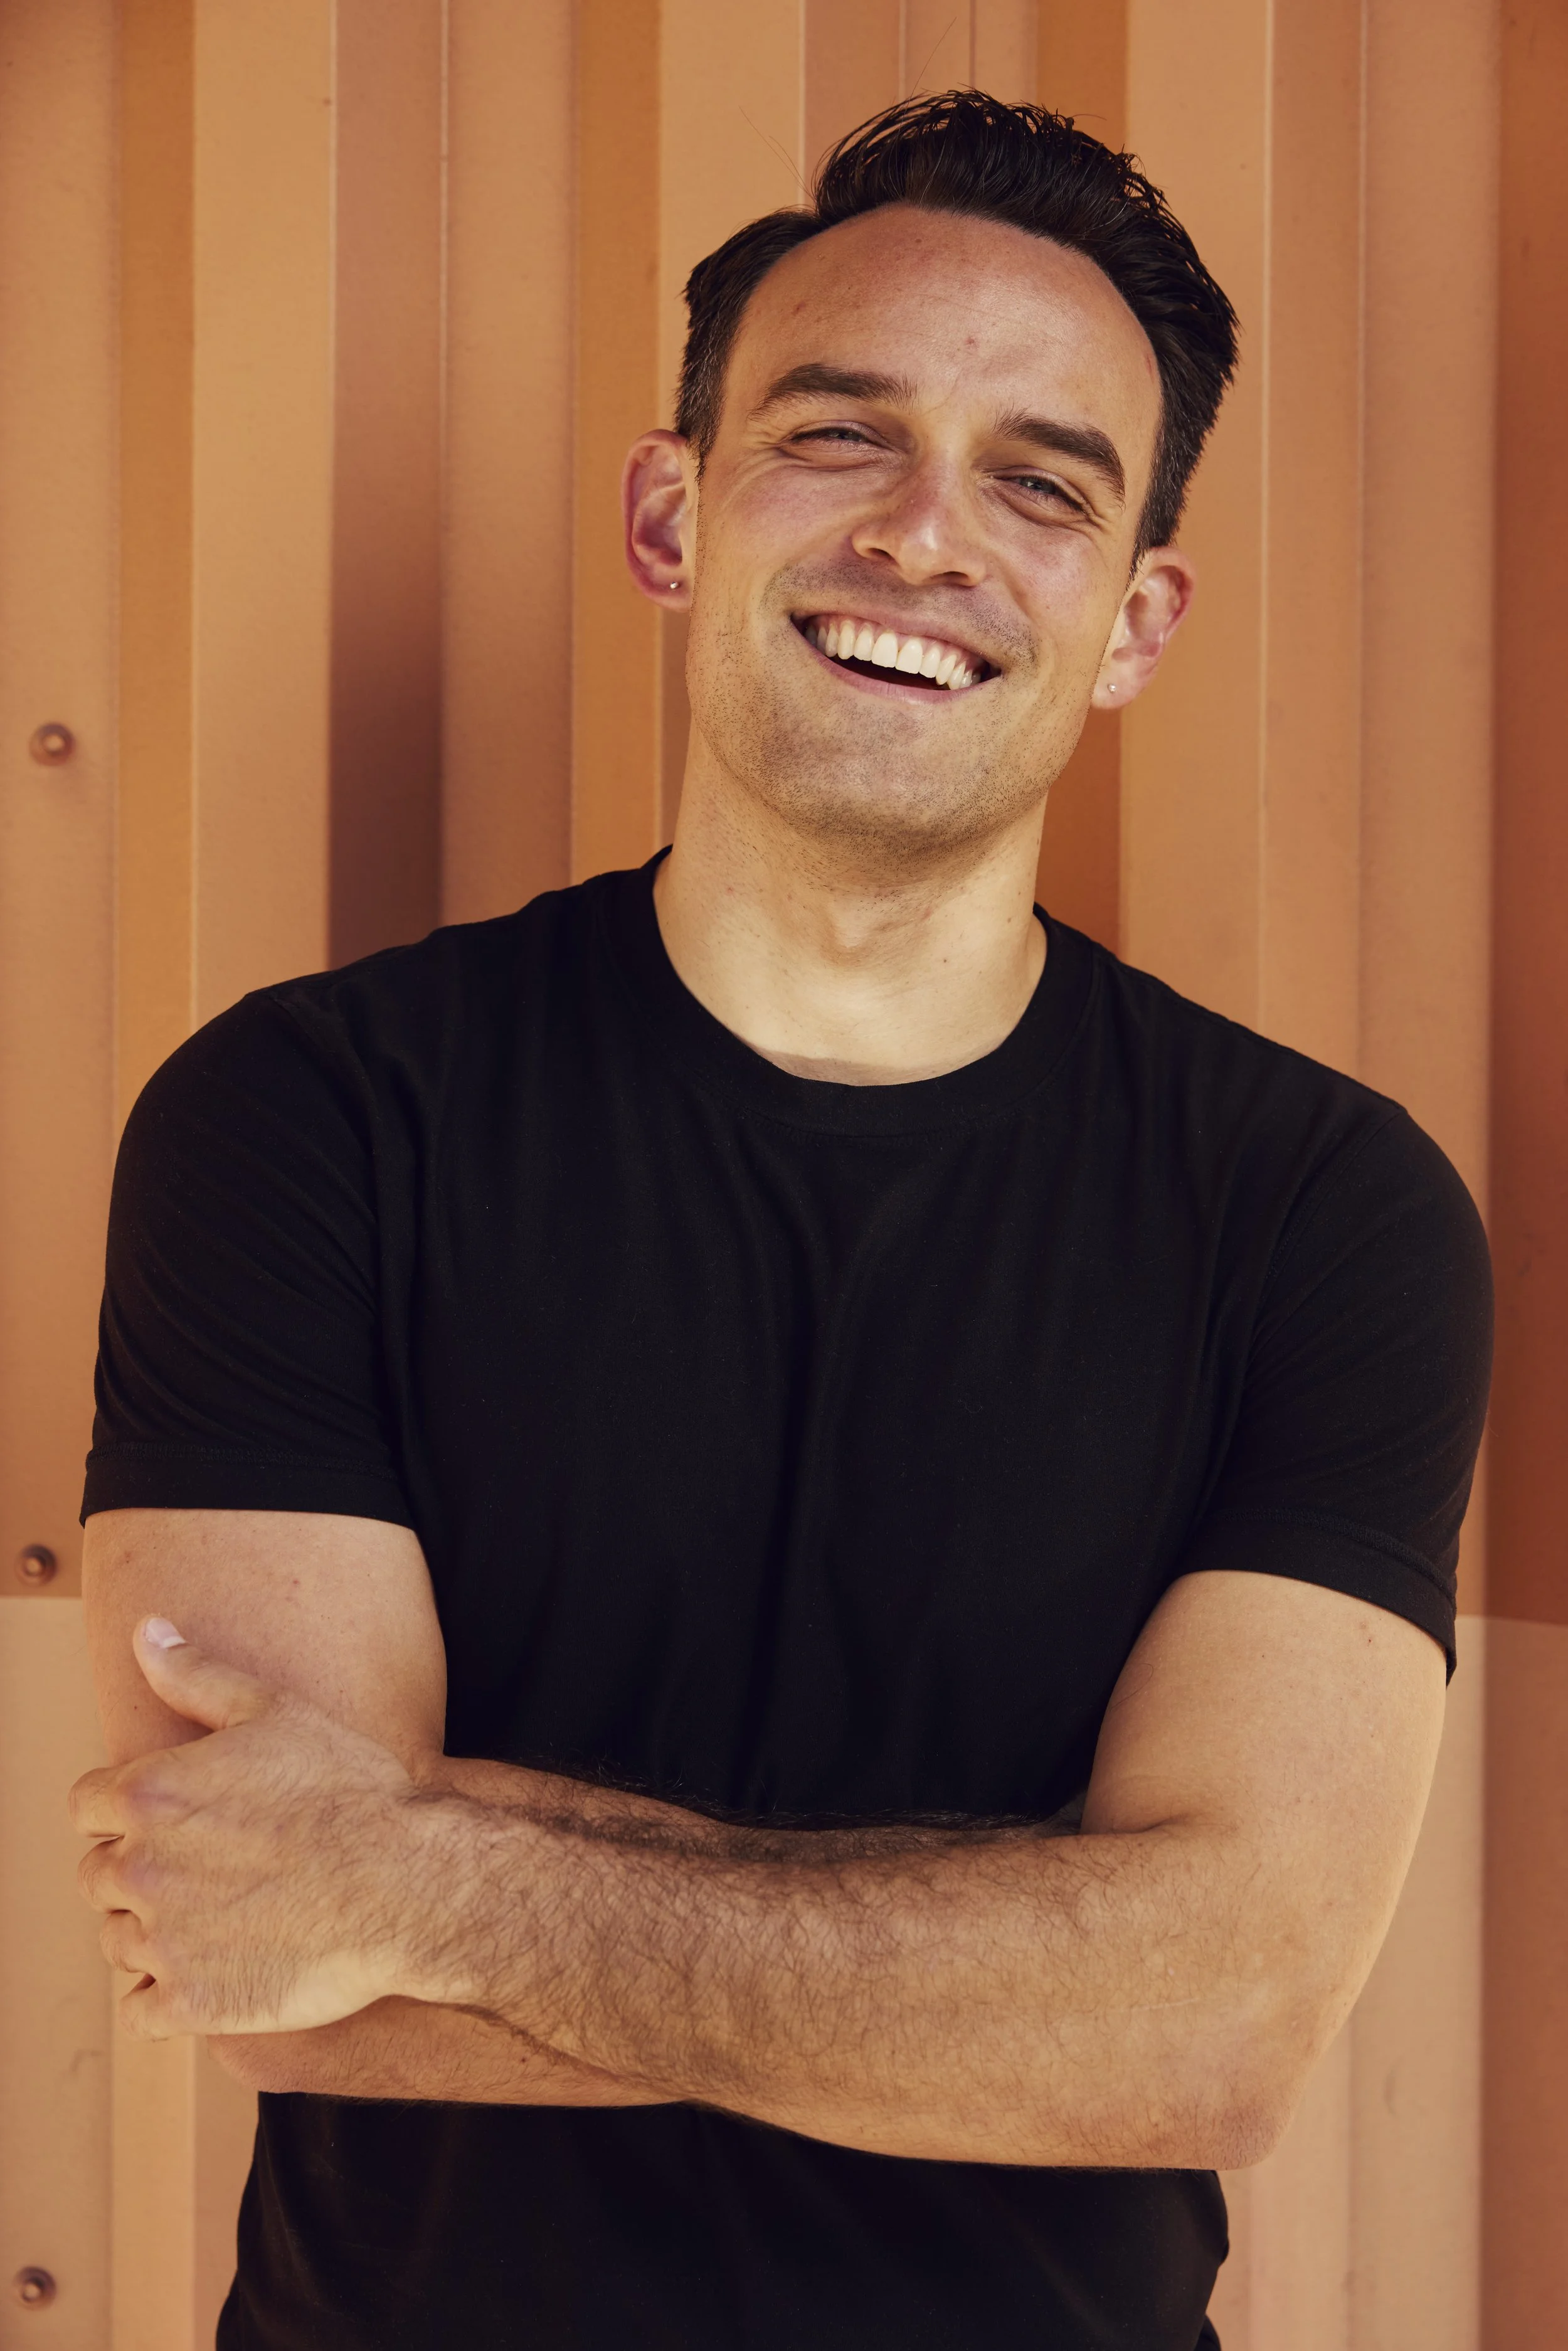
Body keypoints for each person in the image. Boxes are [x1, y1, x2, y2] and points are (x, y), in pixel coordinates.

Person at [71, 92, 1491, 2351]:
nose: (931, 536)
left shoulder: (1317, 1212)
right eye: (840, 438)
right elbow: (273, 1961)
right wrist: (1027, 1969)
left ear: (1129, 624)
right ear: (674, 510)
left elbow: (1210, 2032)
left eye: (1043, 482)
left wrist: (430, 1869)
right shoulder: (311, 1115)